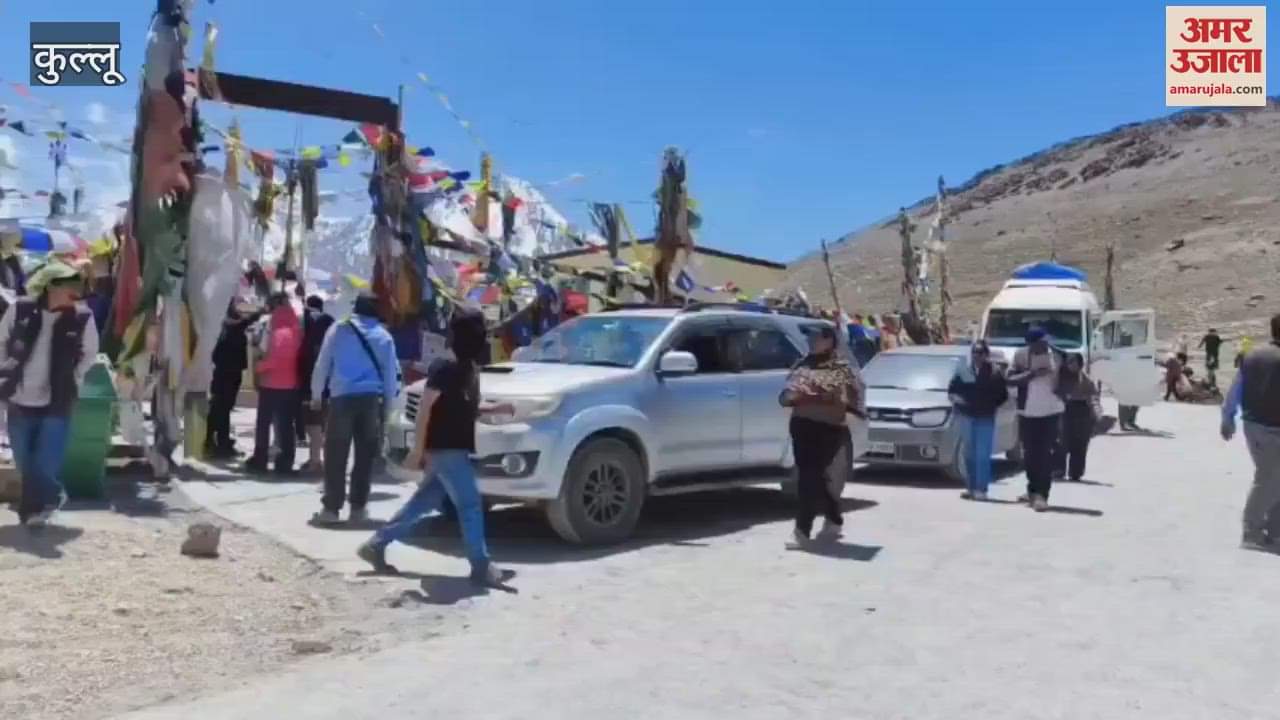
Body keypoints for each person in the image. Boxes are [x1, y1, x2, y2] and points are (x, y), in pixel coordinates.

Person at [357, 306, 513, 587]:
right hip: (444, 450)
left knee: (423, 503)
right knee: (470, 505)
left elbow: (467, 408)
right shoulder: (444, 368)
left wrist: (494, 409)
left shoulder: (468, 368)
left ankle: (376, 544)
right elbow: (425, 411)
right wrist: (418, 451)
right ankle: (480, 564)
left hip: (455, 449)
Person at [0, 260, 99, 526]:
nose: (75, 292)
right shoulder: (20, 309)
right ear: (50, 287)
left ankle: (39, 506)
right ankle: (40, 502)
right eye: (69, 286)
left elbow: (90, 353)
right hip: (20, 397)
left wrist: (74, 376)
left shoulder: (82, 317)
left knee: (46, 460)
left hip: (58, 398)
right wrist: (5, 372)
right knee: (23, 459)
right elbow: (2, 341)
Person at [309, 292, 398, 525]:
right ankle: (358, 509)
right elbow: (391, 378)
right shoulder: (384, 337)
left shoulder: (339, 329)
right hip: (371, 401)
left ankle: (331, 509)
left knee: (335, 455)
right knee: (365, 457)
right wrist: (388, 408)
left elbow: (323, 363)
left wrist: (316, 394)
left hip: (342, 398)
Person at [779, 324, 863, 545]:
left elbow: (843, 397)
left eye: (816, 337)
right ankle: (832, 519)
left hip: (828, 428)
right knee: (812, 478)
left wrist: (808, 394)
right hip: (802, 426)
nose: (811, 341)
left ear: (829, 341)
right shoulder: (802, 364)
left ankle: (801, 531)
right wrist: (791, 396)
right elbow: (786, 394)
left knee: (811, 479)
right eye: (810, 337)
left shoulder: (840, 367)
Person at [1222, 313, 1280, 552]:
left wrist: (1228, 418)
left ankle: (1274, 530)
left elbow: (1236, 388)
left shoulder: (1252, 355)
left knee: (1273, 478)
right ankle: (1252, 533)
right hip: (1271, 429)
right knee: (1269, 479)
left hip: (1253, 426)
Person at [245, 292, 303, 474]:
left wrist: (258, 368)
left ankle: (260, 459)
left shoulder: (269, 326)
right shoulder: (297, 328)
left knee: (264, 423)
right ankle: (285, 462)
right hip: (291, 384)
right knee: (286, 424)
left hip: (269, 383)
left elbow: (264, 354)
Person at [1008, 327, 1063, 511]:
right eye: (1041, 341)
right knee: (1030, 455)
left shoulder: (1058, 355)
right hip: (1028, 413)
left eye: (1046, 340)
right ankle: (1032, 490)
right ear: (1031, 343)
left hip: (1052, 412)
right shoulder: (1020, 356)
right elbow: (1010, 379)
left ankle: (1041, 494)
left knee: (1046, 454)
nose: (1045, 344)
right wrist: (1032, 374)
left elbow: (1071, 377)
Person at [947, 339, 1008, 501]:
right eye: (974, 352)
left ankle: (981, 489)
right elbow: (952, 390)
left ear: (986, 355)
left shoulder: (994, 373)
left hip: (985, 418)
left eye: (980, 352)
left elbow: (1003, 395)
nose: (977, 355)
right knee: (968, 454)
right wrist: (958, 401)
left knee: (982, 455)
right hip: (966, 417)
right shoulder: (963, 371)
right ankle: (970, 487)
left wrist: (990, 406)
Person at [205, 302, 258, 458]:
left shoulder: (225, 328)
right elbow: (242, 323)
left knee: (221, 409)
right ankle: (215, 441)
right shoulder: (229, 326)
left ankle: (220, 440)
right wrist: (260, 312)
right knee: (220, 409)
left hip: (225, 374)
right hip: (227, 375)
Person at [297, 294, 335, 472]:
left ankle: (314, 461)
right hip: (332, 381)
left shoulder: (305, 321)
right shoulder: (331, 323)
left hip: (309, 378)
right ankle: (327, 462)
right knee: (326, 423)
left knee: (313, 423)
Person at [1055, 353, 1098, 482]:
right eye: (1069, 362)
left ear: (1080, 364)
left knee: (1080, 443)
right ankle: (1058, 469)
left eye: (1073, 362)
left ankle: (1076, 472)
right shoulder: (1060, 377)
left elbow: (1093, 398)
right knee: (1061, 442)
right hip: (1064, 411)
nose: (1070, 365)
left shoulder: (1086, 380)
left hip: (1082, 412)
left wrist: (1096, 414)